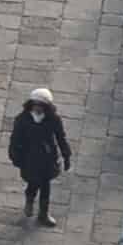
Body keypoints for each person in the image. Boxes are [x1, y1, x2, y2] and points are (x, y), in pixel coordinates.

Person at [7, 89, 74, 225]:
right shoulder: (22, 120)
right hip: (29, 158)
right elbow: (15, 140)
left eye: (41, 105)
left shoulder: (53, 119)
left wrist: (66, 156)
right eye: (35, 104)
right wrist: (16, 158)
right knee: (33, 183)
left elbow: (61, 138)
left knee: (45, 186)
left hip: (47, 158)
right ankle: (30, 201)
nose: (37, 107)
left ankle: (43, 214)